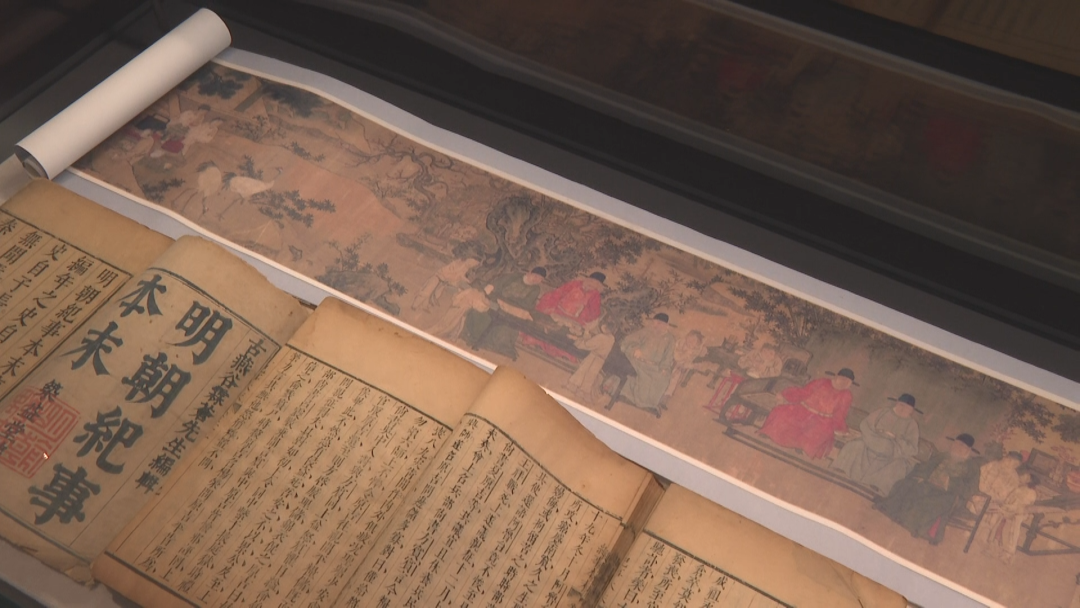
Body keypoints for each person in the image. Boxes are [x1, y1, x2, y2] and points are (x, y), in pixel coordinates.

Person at [876, 434, 982, 545]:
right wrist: (922, 476)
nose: (958, 448)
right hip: (929, 485)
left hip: (949, 495)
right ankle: (895, 512)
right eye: (956, 444)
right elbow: (926, 467)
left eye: (962, 446)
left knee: (931, 502)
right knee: (908, 485)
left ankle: (915, 526)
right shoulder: (942, 456)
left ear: (968, 450)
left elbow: (971, 489)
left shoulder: (972, 467)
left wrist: (950, 482)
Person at [832, 393, 921, 495]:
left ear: (911, 411)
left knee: (898, 466)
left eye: (907, 408)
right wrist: (874, 437)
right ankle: (842, 469)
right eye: (901, 405)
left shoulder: (912, 425)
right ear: (896, 403)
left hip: (892, 454)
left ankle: (877, 485)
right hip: (871, 443)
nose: (903, 409)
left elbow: (912, 448)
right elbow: (865, 425)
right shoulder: (883, 412)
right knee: (856, 446)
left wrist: (896, 439)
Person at [758, 368, 856, 460]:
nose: (844, 383)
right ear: (836, 376)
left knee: (818, 433)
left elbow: (840, 414)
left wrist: (841, 428)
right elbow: (804, 392)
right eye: (842, 379)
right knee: (782, 414)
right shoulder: (822, 382)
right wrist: (785, 394)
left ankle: (801, 448)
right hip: (803, 409)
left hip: (823, 420)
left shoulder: (846, 395)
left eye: (847, 382)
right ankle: (769, 434)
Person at [459, 267, 547, 360]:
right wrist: (494, 293)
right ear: (529, 273)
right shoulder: (515, 276)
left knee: (510, 326)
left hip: (513, 309)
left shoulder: (535, 289)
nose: (536, 280)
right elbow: (498, 284)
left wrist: (510, 300)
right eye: (535, 276)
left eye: (540, 279)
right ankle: (476, 337)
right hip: (496, 300)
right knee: (483, 312)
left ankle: (493, 343)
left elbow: (527, 303)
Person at [618, 313, 677, 416]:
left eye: (659, 324)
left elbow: (668, 357)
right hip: (638, 362)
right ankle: (628, 396)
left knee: (663, 378)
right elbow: (627, 341)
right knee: (642, 375)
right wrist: (635, 349)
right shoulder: (645, 331)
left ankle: (648, 404)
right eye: (655, 322)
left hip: (654, 366)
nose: (656, 326)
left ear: (666, 325)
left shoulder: (670, 339)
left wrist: (664, 368)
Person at [983, 473, 1038, 563]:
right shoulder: (1020, 488)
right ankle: (994, 544)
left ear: (1029, 480)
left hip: (1018, 513)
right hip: (1010, 510)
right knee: (999, 517)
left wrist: (1007, 507)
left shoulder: (1030, 493)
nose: (1022, 477)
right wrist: (1005, 505)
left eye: (1026, 477)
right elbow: (1009, 499)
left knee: (1012, 526)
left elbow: (1022, 506)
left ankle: (1008, 553)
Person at [536, 271, 605, 334]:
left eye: (596, 284)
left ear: (598, 286)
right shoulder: (575, 284)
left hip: (575, 318)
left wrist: (583, 314)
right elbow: (559, 293)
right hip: (559, 309)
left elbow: (594, 311)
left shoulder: (595, 294)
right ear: (587, 280)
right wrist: (552, 305)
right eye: (591, 281)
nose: (592, 284)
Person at [565, 320, 615, 401]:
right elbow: (594, 343)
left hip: (594, 357)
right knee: (591, 375)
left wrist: (583, 334)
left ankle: (572, 387)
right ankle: (580, 391)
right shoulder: (612, 338)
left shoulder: (601, 337)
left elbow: (588, 344)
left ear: (606, 328)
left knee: (583, 370)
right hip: (601, 360)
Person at [411, 257, 480, 312]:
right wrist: (450, 278)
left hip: (444, 281)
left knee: (436, 295)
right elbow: (451, 271)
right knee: (427, 291)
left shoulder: (465, 268)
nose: (472, 266)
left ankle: (425, 306)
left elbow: (460, 276)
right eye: (472, 264)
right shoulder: (459, 263)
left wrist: (468, 281)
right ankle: (415, 304)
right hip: (439, 276)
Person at [664, 330, 706, 401]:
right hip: (668, 365)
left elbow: (685, 363)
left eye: (694, 341)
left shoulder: (691, 352)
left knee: (672, 385)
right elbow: (676, 357)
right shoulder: (679, 343)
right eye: (691, 338)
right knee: (664, 381)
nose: (691, 342)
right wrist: (686, 354)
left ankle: (664, 400)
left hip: (676, 370)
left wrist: (693, 366)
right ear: (687, 336)